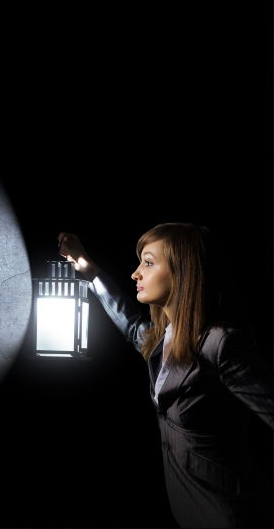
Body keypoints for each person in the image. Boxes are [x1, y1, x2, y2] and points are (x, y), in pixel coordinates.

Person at [57, 223, 274, 528]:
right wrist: (89, 271)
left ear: (182, 271)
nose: (136, 274)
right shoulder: (162, 340)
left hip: (232, 514)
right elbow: (131, 325)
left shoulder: (221, 343)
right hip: (186, 512)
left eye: (148, 262)